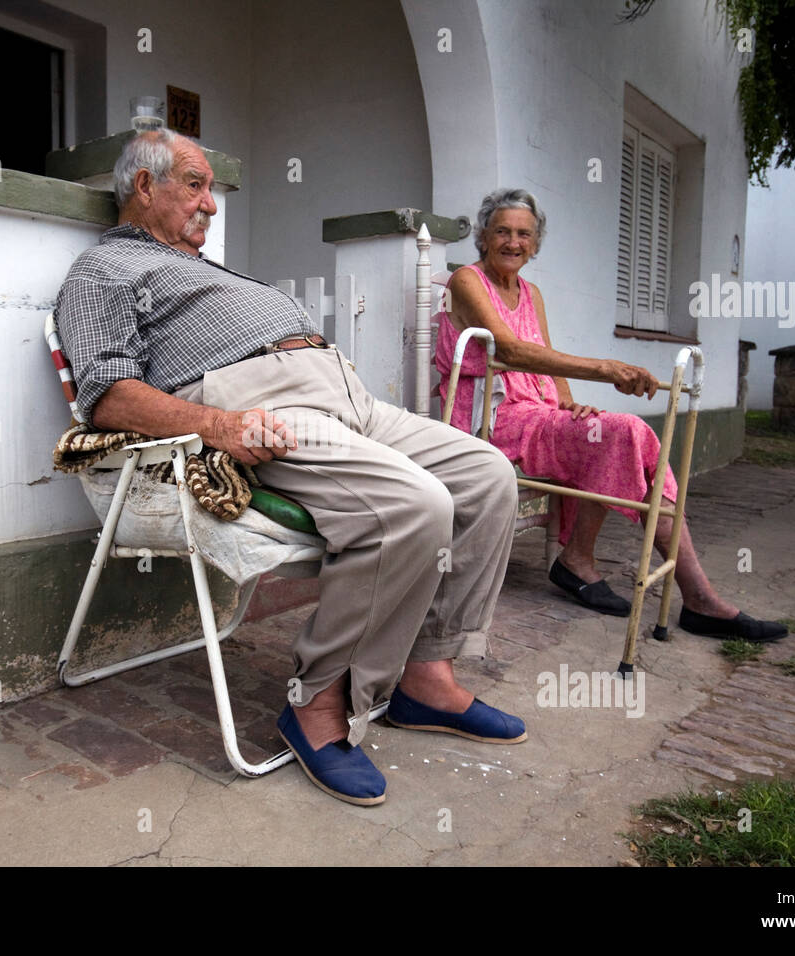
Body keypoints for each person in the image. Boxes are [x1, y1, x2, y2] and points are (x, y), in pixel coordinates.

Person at [54, 130, 527, 807]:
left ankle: (425, 676)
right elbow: (107, 397)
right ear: (144, 187)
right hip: (261, 408)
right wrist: (221, 428)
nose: (211, 205)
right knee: (417, 505)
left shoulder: (202, 266)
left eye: (211, 188)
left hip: (346, 398)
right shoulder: (105, 272)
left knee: (487, 475)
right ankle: (315, 706)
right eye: (195, 184)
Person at [437, 187, 786, 643]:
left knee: (624, 438)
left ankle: (692, 592)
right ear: (483, 236)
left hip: (538, 413)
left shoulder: (531, 292)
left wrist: (568, 400)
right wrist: (604, 369)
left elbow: (542, 354)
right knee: (623, 433)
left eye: (523, 234)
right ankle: (595, 564)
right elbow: (511, 350)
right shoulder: (466, 280)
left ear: (535, 243)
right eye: (502, 231)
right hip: (492, 417)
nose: (513, 242)